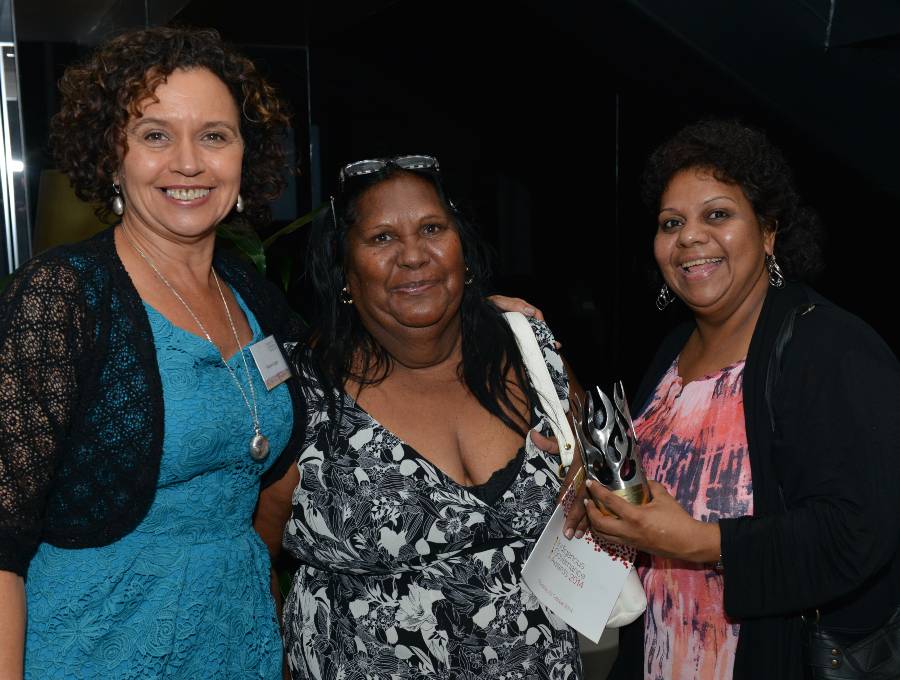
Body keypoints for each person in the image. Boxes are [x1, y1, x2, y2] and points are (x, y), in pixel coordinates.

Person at [0, 26, 304, 679]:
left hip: (237, 643)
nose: (188, 163)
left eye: (214, 136)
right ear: (111, 156)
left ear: (245, 156)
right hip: (96, 646)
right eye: (155, 135)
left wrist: (484, 317)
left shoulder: (253, 296)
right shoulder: (64, 297)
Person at [579, 119, 900, 679]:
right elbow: (648, 493)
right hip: (661, 655)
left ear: (769, 231)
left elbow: (857, 533)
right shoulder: (672, 352)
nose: (689, 237)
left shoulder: (830, 347)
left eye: (718, 215)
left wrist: (702, 543)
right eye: (670, 223)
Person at [253, 156, 585, 679]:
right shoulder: (299, 393)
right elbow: (249, 562)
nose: (413, 256)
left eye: (432, 228)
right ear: (345, 269)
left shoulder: (532, 355)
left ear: (463, 252)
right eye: (382, 238)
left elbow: (599, 486)